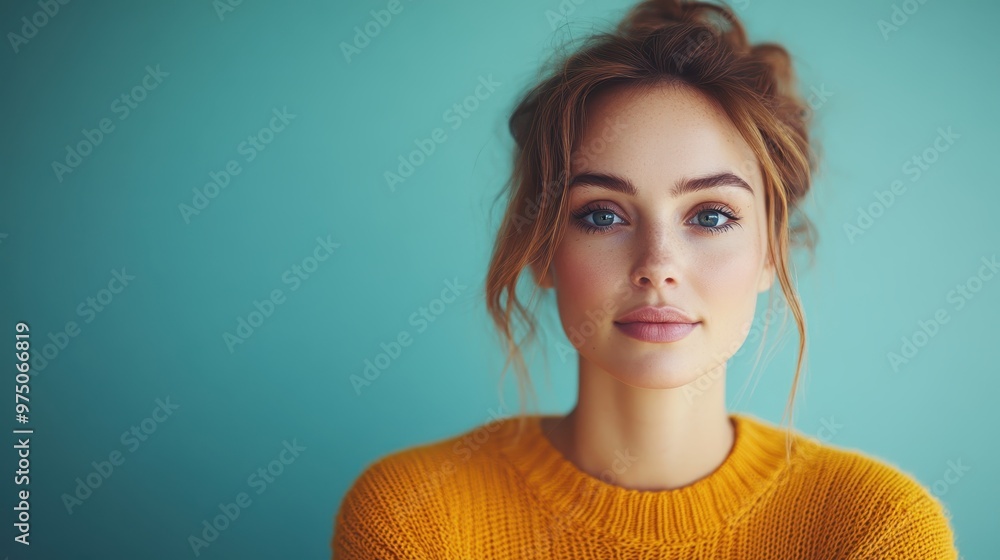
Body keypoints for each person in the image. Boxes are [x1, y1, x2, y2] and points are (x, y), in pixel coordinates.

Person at [332, 0, 960, 557]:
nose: (657, 265)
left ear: (771, 253)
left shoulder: (875, 529)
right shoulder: (416, 517)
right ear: (542, 250)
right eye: (601, 215)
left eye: (711, 215)